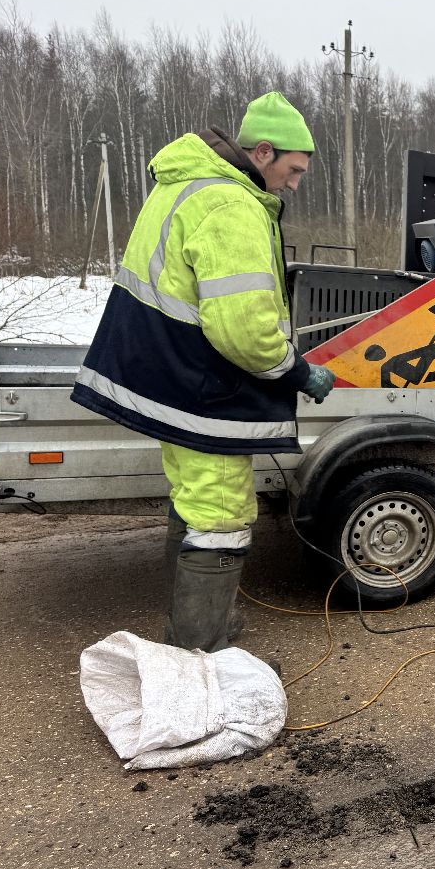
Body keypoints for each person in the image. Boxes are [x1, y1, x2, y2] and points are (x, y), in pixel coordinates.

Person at [72, 92, 336, 653]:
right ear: (262, 152)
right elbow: (243, 330)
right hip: (198, 385)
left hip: (169, 375)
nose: (293, 184)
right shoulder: (231, 207)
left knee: (193, 500)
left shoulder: (184, 185)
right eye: (292, 171)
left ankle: (195, 626)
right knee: (219, 511)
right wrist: (295, 371)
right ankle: (198, 651)